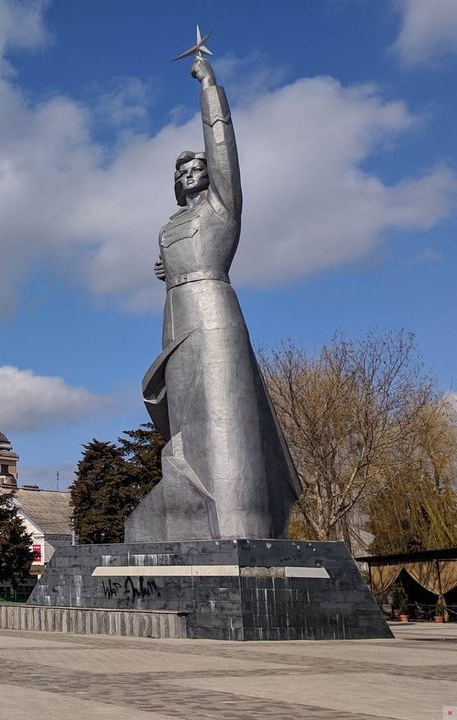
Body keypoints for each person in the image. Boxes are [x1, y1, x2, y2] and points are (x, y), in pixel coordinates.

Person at [124, 54, 299, 543]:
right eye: (182, 171)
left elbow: (224, 149)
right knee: (179, 419)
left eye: (198, 167)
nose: (191, 173)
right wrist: (166, 274)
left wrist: (209, 86)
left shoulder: (222, 208)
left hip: (214, 311)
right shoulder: (169, 226)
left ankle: (239, 525)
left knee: (228, 419)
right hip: (174, 319)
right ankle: (191, 520)